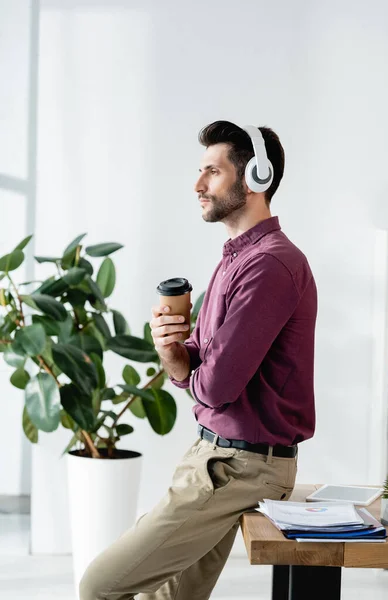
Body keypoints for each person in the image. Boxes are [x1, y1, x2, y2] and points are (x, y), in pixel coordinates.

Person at [79, 120, 318, 600]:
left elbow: (216, 386)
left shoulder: (269, 264)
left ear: (256, 178)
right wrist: (173, 349)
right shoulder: (237, 258)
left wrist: (189, 366)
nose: (198, 185)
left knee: (99, 586)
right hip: (220, 456)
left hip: (240, 467)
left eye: (212, 171)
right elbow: (202, 361)